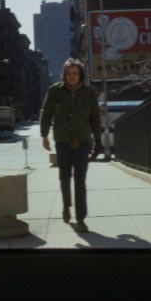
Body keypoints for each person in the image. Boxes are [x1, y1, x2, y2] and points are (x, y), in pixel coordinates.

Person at [40, 58, 103, 233]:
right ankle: (67, 205)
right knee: (64, 177)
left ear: (80, 74)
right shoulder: (54, 91)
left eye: (75, 73)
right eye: (69, 74)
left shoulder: (89, 93)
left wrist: (98, 141)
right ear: (65, 75)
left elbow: (95, 119)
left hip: (83, 141)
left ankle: (81, 218)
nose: (72, 77)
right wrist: (44, 135)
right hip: (62, 140)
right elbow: (46, 114)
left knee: (80, 181)